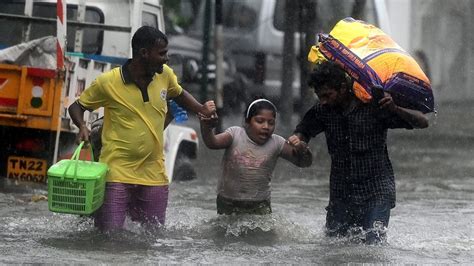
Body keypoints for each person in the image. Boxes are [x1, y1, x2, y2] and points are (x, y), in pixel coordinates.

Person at [68, 26, 216, 231]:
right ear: (143, 53)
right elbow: (77, 106)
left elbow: (179, 94)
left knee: (153, 237)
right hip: (116, 172)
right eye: (162, 53)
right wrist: (82, 126)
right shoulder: (108, 82)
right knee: (109, 238)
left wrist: (201, 110)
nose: (166, 58)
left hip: (153, 172)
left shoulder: (165, 75)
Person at [289, 61, 429, 244]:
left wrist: (395, 108)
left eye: (327, 95)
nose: (323, 100)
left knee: (374, 245)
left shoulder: (374, 106)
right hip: (341, 194)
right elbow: (303, 132)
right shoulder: (322, 111)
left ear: (342, 87)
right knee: (334, 247)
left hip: (376, 191)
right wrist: (298, 142)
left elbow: (422, 122)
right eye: (319, 96)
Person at [200, 97, 312, 215]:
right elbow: (212, 143)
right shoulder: (235, 134)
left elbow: (304, 163)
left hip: (260, 204)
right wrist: (206, 125)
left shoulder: (277, 143)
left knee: (261, 233)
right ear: (246, 122)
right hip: (228, 202)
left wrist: (302, 148)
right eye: (260, 121)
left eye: (271, 123)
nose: (266, 127)